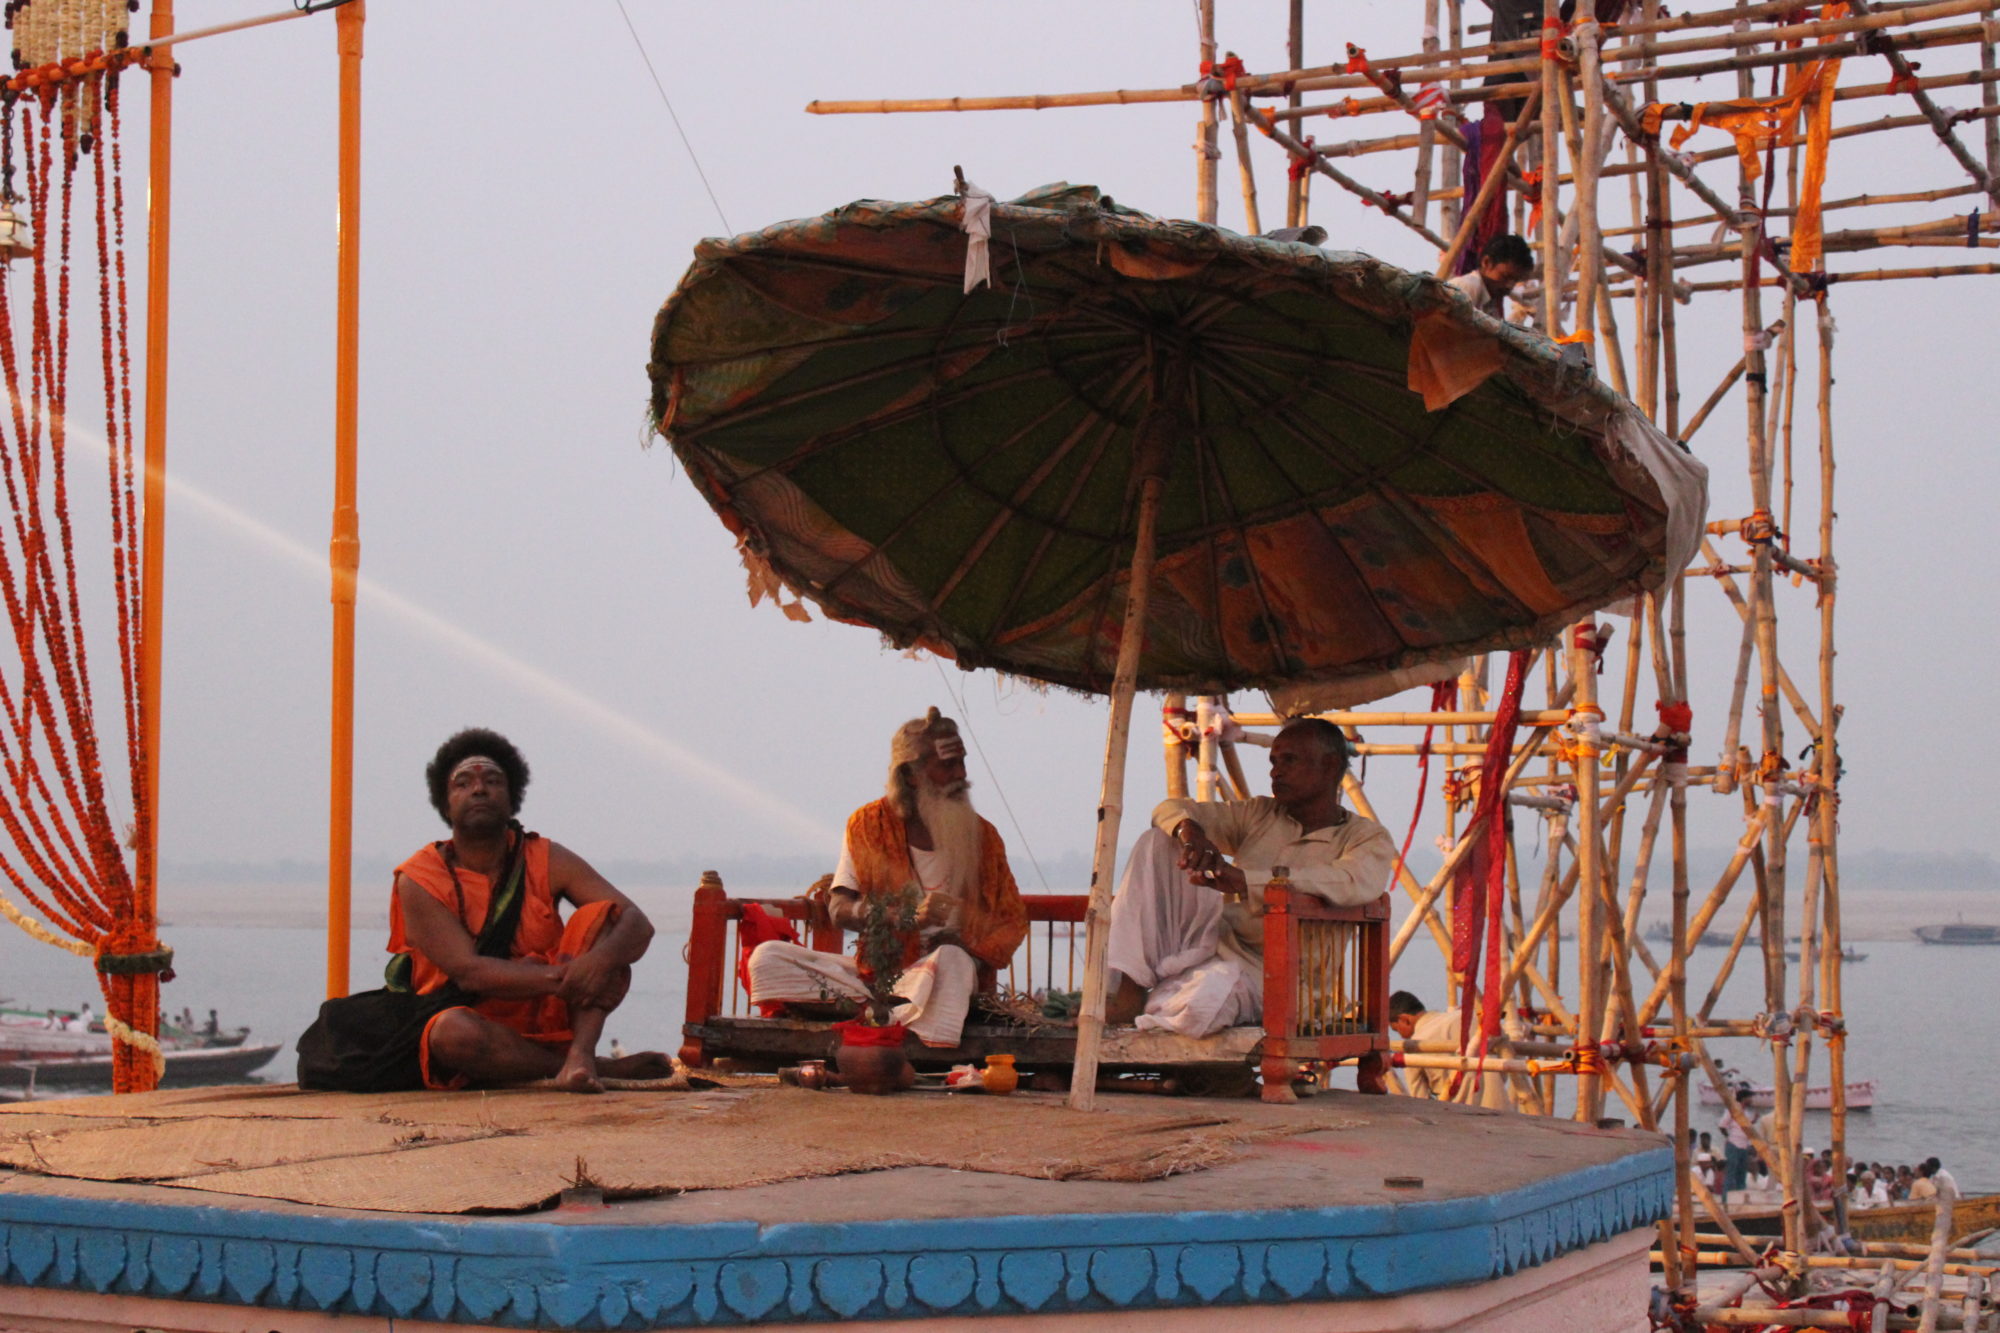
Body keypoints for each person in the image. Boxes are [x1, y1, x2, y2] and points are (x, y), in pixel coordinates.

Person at [296, 727, 669, 1093]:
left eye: (493, 781)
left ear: (511, 799)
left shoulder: (545, 857)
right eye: (463, 783)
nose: (479, 788)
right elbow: (469, 973)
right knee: (452, 1033)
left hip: (551, 1010)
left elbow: (637, 921)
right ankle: (589, 1066)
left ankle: (581, 1053)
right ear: (445, 803)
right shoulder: (420, 877)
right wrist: (567, 977)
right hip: (475, 1021)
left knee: (604, 918)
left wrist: (598, 963)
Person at [746, 708, 1028, 1048]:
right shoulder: (866, 825)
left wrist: (967, 947)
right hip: (873, 978)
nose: (962, 774)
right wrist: (904, 917)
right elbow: (839, 909)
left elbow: (1012, 921)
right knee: (767, 957)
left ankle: (879, 1021)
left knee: (951, 964)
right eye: (947, 765)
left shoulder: (984, 837)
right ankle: (895, 1018)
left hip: (944, 974)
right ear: (910, 774)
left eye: (962, 762)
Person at [1104, 718, 1395, 1038]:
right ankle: (1132, 994)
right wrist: (1190, 831)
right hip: (1212, 951)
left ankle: (1161, 1012)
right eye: (1273, 761)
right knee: (1159, 841)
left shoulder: (1367, 838)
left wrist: (1248, 881)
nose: (1275, 771)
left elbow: (1349, 881)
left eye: (1289, 760)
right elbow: (1167, 809)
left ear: (1329, 766)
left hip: (1280, 980)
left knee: (1203, 1003)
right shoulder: (1259, 814)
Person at [1447, 233, 1535, 319]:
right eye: (1505, 276)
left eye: (1515, 281)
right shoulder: (1469, 286)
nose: (1509, 286)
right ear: (1486, 262)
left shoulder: (1489, 303)